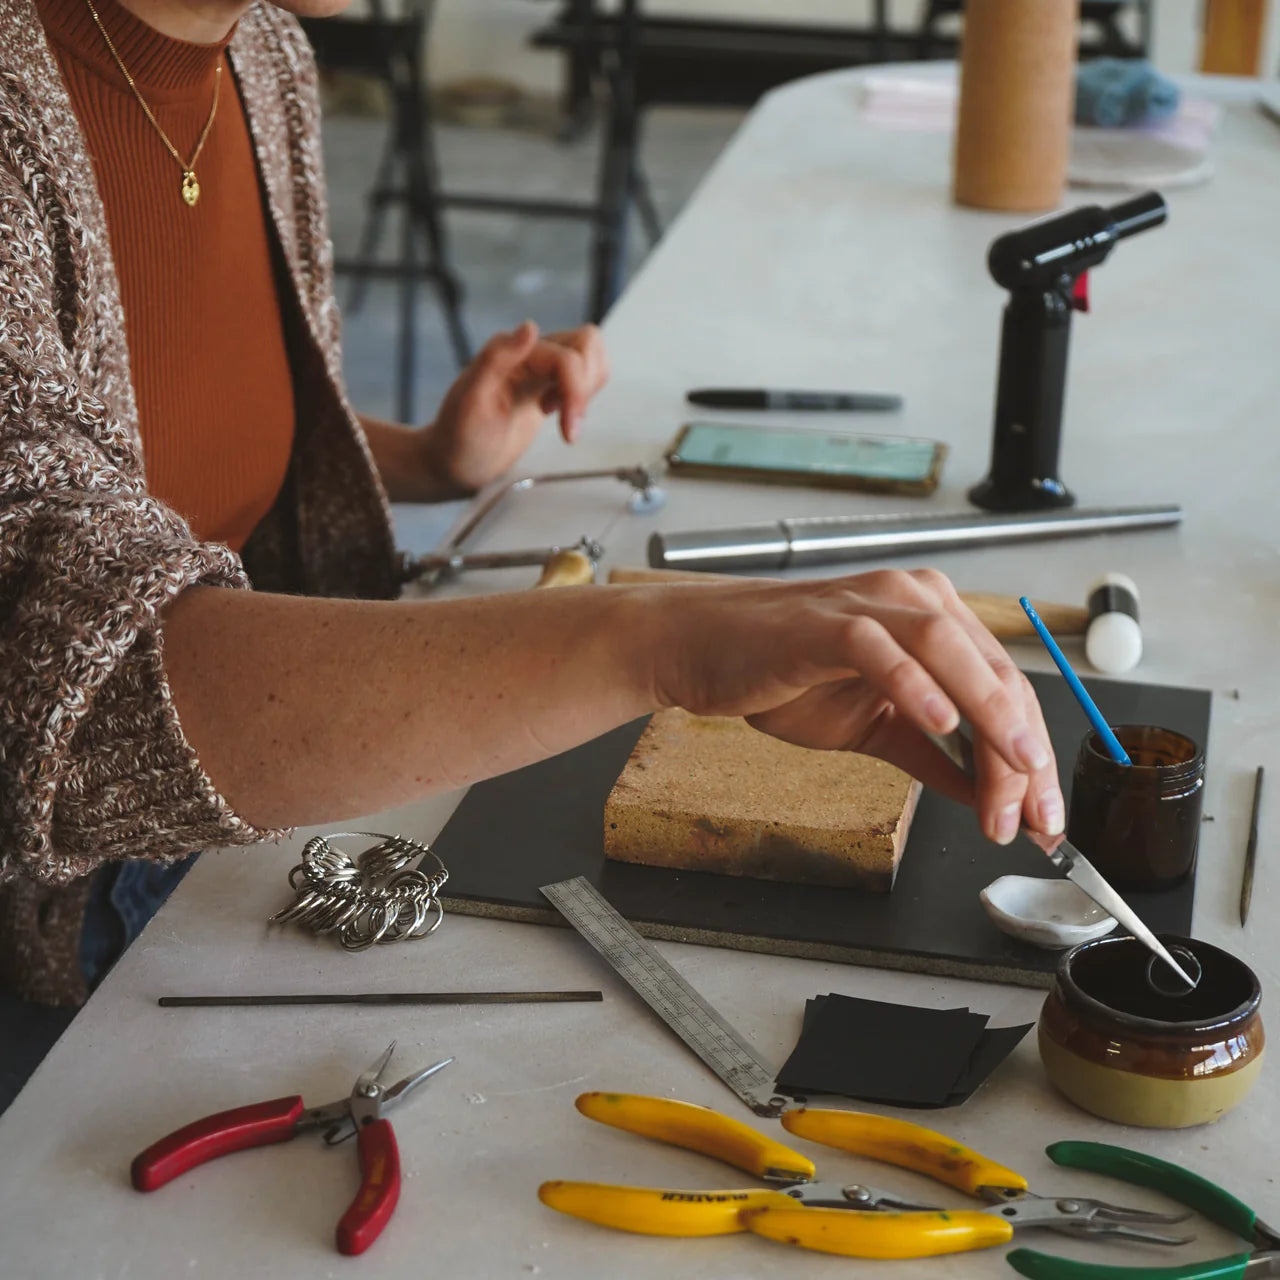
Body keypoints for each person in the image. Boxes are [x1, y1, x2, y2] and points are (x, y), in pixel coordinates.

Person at [0, 0, 1066, 1012]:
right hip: (62, 909)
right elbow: (76, 686)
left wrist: (425, 460)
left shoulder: (261, 56)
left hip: (237, 812)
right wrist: (662, 641)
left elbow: (113, 468)